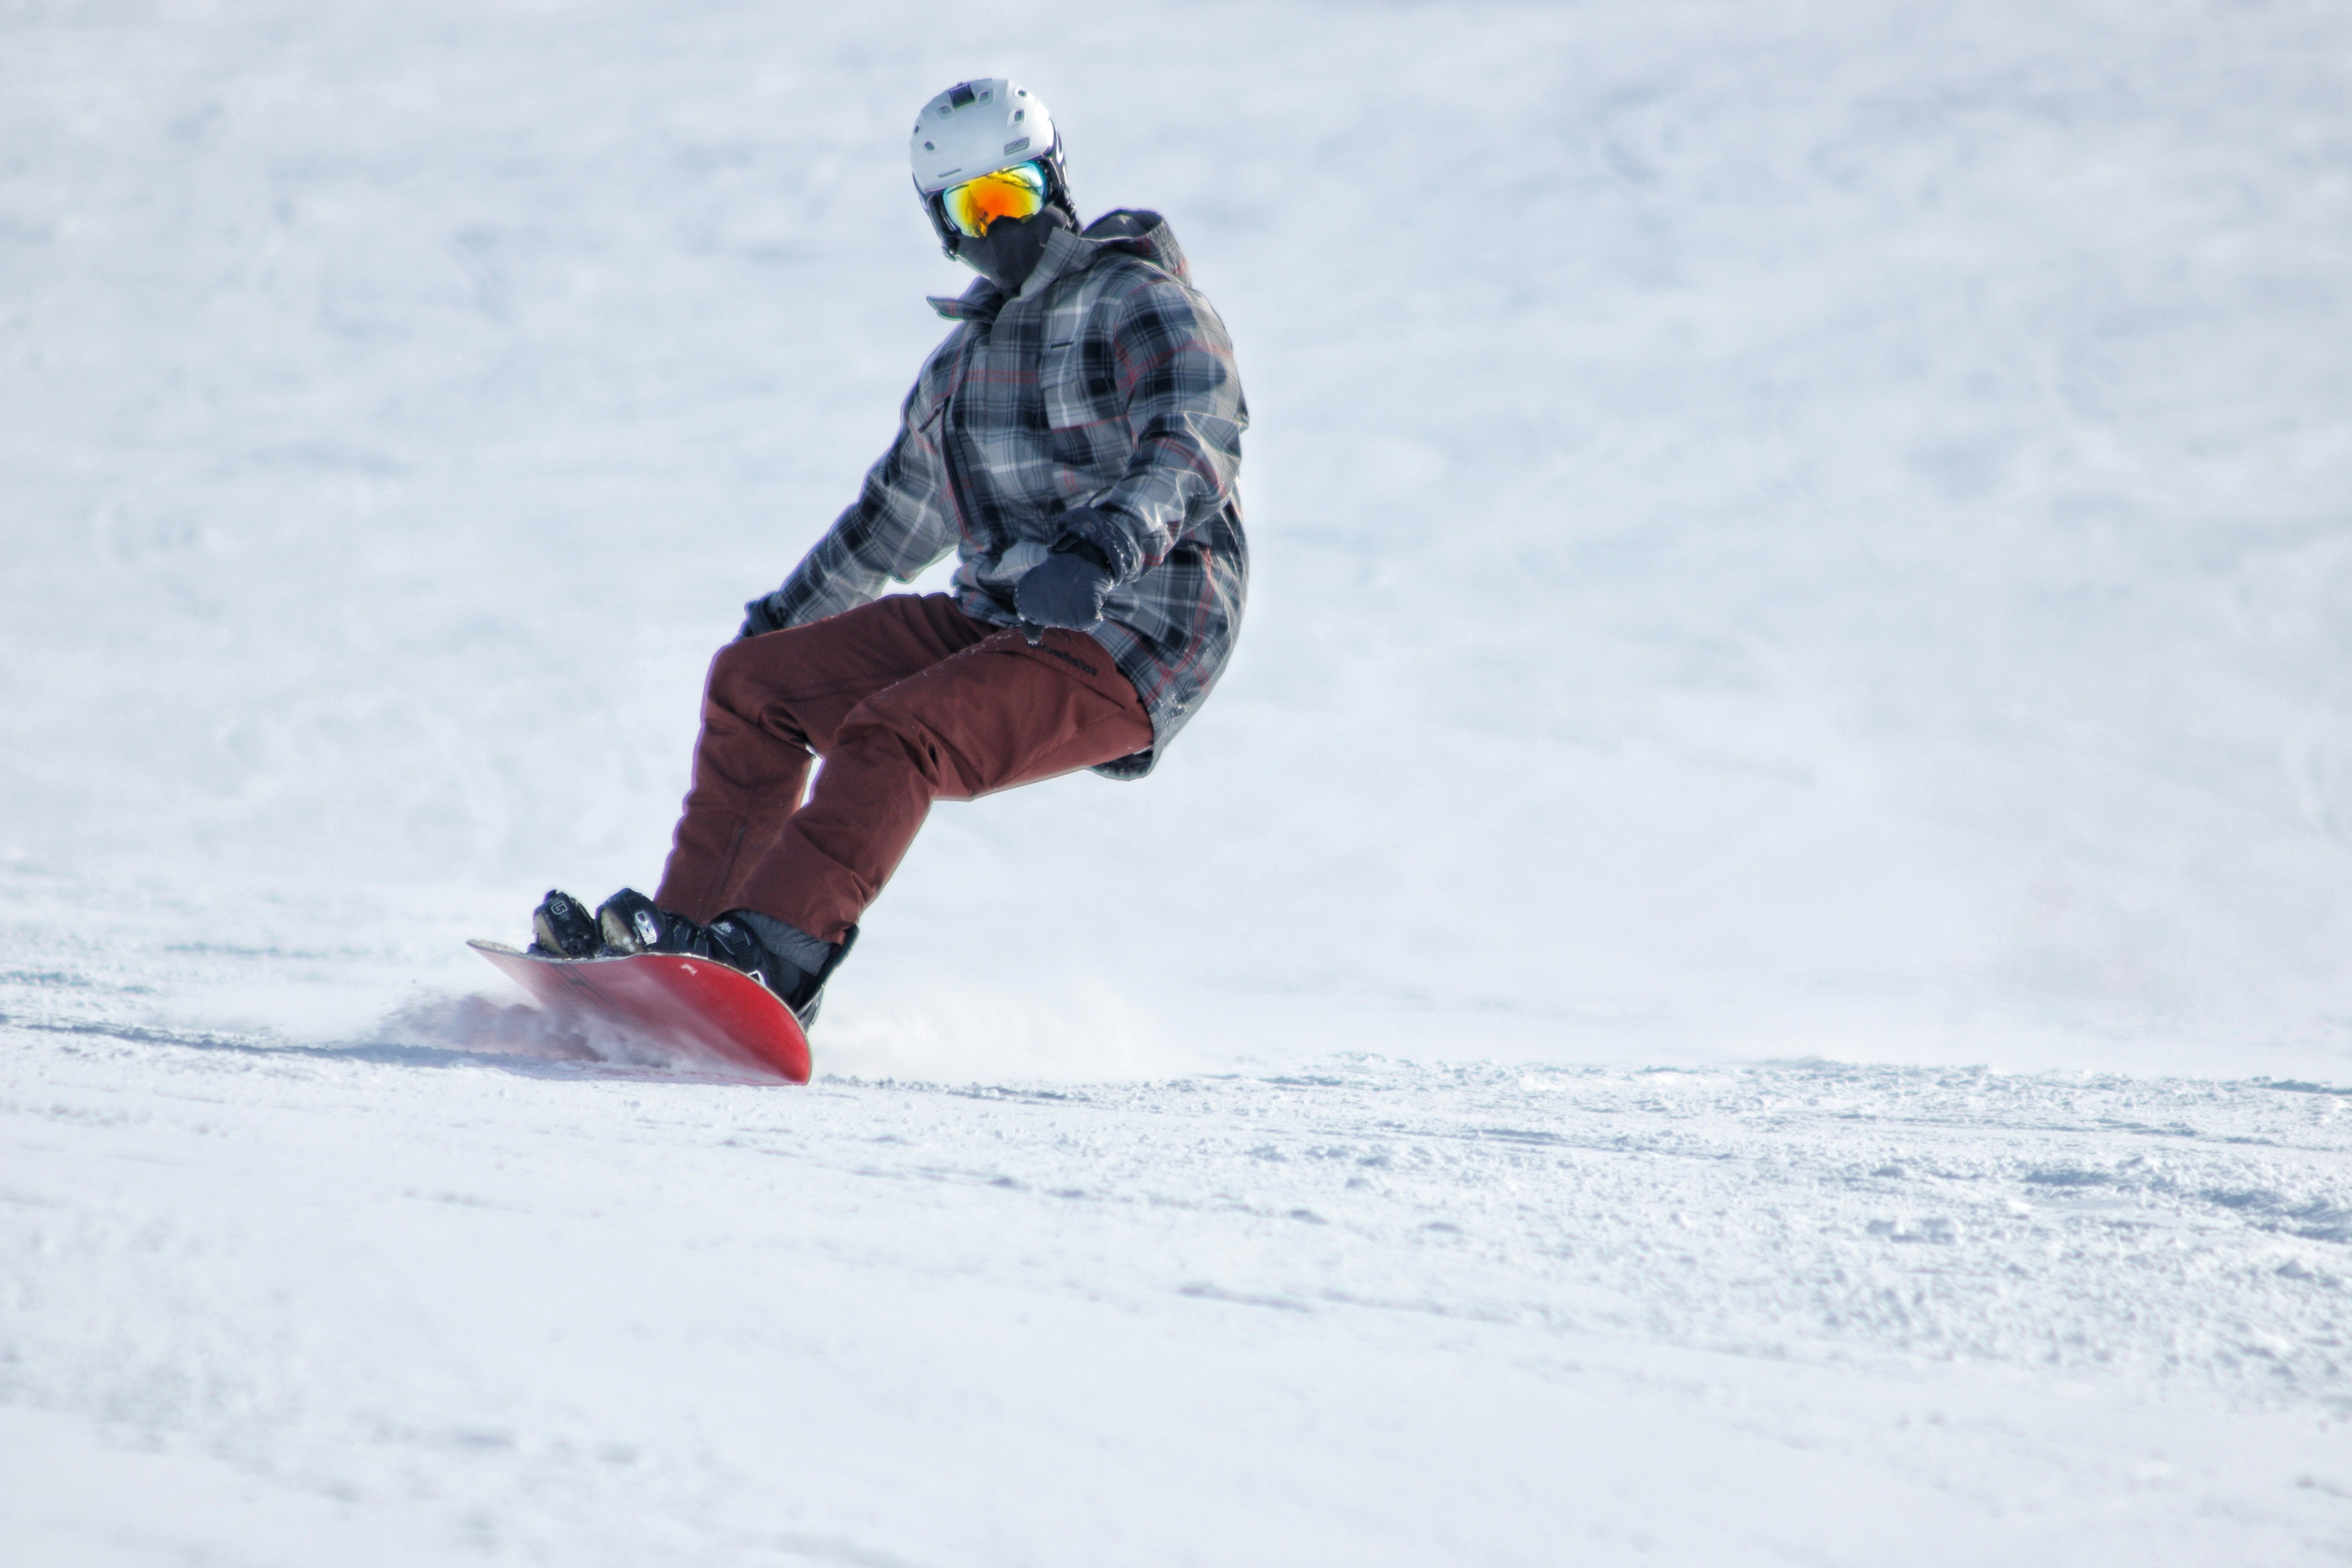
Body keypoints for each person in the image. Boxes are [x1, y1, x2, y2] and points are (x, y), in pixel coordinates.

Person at [526, 77, 1248, 1027]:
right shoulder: (959, 370)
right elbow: (891, 522)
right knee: (756, 684)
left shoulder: (1139, 301)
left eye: (1016, 195)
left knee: (899, 732)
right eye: (973, 207)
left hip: (1136, 625)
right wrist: (788, 619)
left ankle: (776, 955)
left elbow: (1195, 439)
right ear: (944, 226)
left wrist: (1110, 545)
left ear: (1055, 183)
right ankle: (684, 946)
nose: (1000, 227)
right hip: (1000, 617)